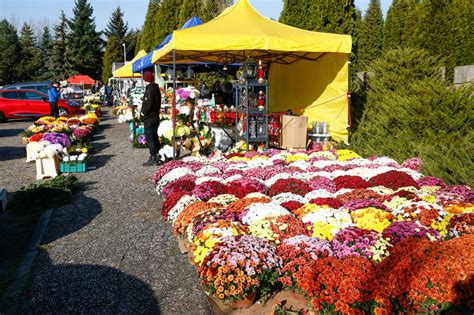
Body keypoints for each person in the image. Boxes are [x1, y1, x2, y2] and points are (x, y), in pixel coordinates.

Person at [141, 71, 162, 166]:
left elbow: (148, 103)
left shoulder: (150, 89)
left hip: (150, 117)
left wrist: (142, 112)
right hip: (155, 115)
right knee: (154, 136)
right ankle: (157, 154)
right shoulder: (156, 87)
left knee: (150, 136)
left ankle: (153, 156)